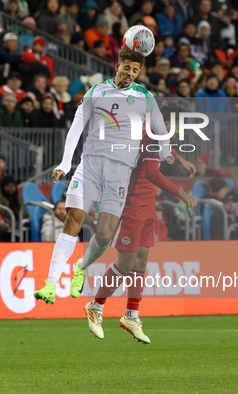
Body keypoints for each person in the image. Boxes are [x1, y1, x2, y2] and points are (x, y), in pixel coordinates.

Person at [33, 46, 196, 306]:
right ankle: (50, 284)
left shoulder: (145, 97)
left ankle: (81, 267)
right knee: (73, 221)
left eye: (136, 70)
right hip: (90, 165)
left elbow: (158, 131)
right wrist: (65, 162)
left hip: (120, 173)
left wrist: (169, 154)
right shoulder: (96, 91)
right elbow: (76, 127)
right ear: (117, 65)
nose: (130, 73)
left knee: (105, 236)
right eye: (127, 67)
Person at [79, 105, 197, 342]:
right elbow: (152, 172)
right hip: (131, 204)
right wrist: (180, 192)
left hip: (148, 204)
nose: (178, 130)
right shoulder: (149, 134)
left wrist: (180, 160)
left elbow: (160, 151)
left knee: (141, 261)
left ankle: (131, 315)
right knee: (126, 262)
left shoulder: (153, 134)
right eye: (177, 125)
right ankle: (96, 305)